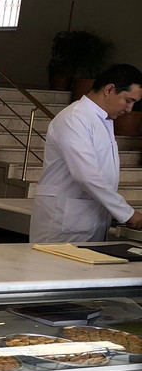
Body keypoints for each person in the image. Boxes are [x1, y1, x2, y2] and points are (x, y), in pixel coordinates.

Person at [30, 63, 142, 243]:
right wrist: (127, 213)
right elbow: (86, 175)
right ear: (109, 89)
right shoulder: (74, 118)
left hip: (87, 222)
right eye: (128, 100)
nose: (129, 109)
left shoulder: (103, 120)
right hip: (63, 225)